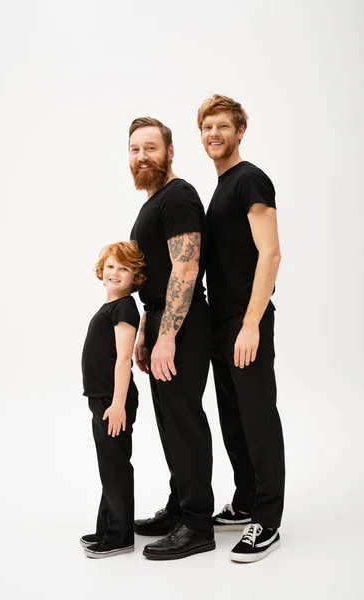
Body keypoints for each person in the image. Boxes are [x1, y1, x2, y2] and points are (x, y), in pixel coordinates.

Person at [197, 94, 286, 563]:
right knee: (232, 416)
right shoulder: (221, 186)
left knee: (257, 415)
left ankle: (267, 519)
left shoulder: (250, 179)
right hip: (221, 322)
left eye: (223, 126)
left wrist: (251, 323)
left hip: (244, 320)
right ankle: (247, 498)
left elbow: (270, 253)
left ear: (240, 131)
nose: (214, 134)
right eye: (207, 127)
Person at [129, 116, 215, 560]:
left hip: (183, 326)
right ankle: (179, 508)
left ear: (170, 151)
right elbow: (157, 278)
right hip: (164, 319)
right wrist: (148, 327)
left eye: (150, 147)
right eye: (135, 149)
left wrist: (167, 335)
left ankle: (199, 525)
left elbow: (185, 269)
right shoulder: (156, 201)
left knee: (184, 420)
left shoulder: (179, 196)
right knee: (169, 423)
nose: (142, 156)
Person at [79, 241, 145, 558]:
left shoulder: (124, 309)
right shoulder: (111, 307)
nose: (114, 272)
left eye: (123, 268)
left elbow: (123, 359)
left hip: (112, 400)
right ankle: (107, 527)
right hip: (102, 398)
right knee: (109, 464)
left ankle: (120, 534)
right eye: (110, 266)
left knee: (115, 465)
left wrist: (118, 404)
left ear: (135, 276)